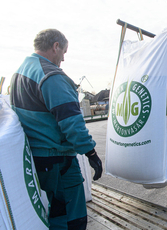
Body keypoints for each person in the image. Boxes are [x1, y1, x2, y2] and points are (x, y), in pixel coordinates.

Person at [10, 29, 102, 230]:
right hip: (58, 161)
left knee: (54, 211)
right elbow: (71, 123)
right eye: (64, 52)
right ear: (55, 46)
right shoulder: (50, 75)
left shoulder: (19, 73)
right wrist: (91, 152)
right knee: (71, 217)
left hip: (38, 159)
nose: (63, 59)